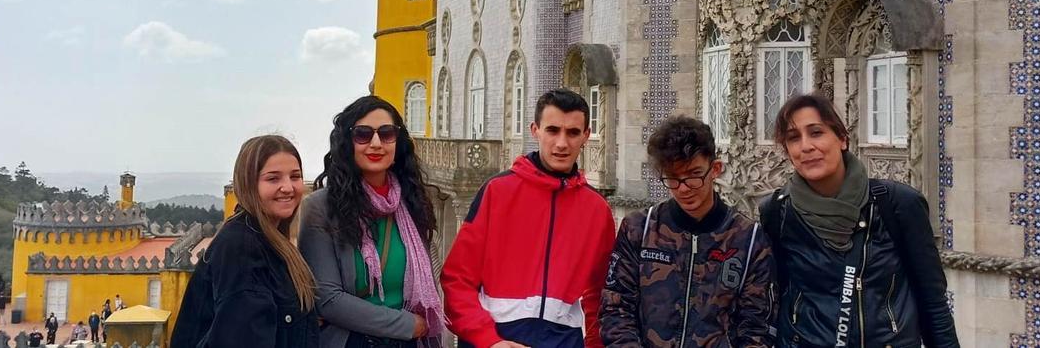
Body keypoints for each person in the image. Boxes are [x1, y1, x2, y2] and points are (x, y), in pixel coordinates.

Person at [759, 93, 959, 347]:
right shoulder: (776, 213)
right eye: (794, 138)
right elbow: (776, 299)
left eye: (816, 132)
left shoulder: (897, 204)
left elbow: (933, 302)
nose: (806, 146)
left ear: (842, 138)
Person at [441, 89, 616, 348]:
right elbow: (457, 280)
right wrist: (488, 340)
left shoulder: (598, 210)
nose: (561, 143)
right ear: (535, 130)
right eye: (552, 130)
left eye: (573, 133)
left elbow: (599, 296)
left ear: (586, 136)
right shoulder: (496, 191)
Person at [600, 115, 776, 347]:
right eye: (673, 178)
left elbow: (757, 327)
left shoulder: (749, 239)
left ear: (715, 169)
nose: (683, 189)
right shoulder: (639, 229)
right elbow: (616, 309)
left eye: (694, 175)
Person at [299, 96, 444, 348]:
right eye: (363, 134)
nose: (376, 143)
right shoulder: (321, 208)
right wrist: (408, 325)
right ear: (347, 142)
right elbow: (329, 299)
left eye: (387, 133)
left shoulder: (413, 203)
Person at [171, 135, 320, 348]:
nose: (288, 187)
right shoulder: (242, 248)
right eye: (273, 178)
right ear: (249, 184)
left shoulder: (269, 239)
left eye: (295, 177)